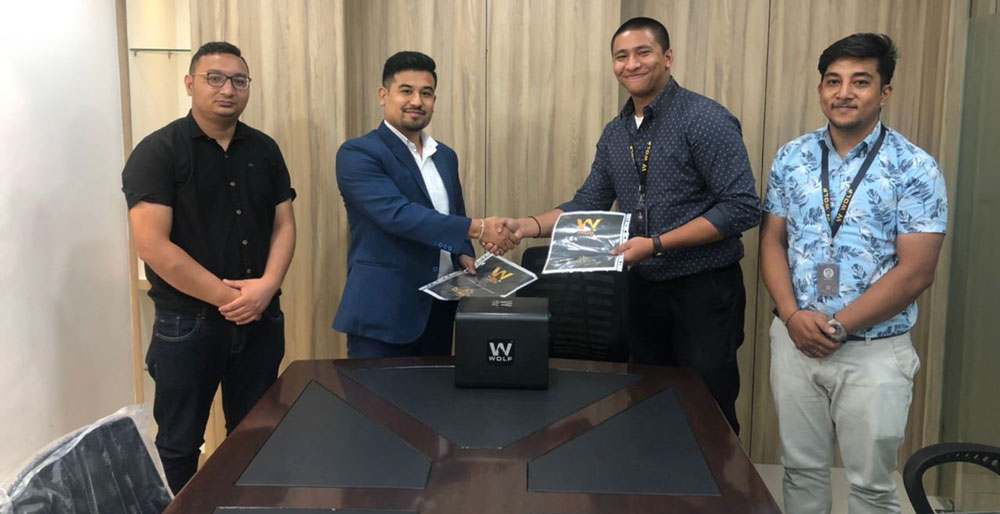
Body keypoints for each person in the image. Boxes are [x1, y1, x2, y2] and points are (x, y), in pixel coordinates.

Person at [495, 17, 759, 433]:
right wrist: (526, 226)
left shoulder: (704, 118)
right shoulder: (616, 132)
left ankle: (716, 479)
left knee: (708, 409)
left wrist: (656, 244)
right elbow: (588, 203)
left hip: (704, 291)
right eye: (621, 56)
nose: (631, 64)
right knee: (649, 406)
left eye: (643, 53)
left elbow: (742, 207)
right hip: (642, 290)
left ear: (667, 58)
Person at [760, 33, 947, 513]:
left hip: (873, 350)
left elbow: (917, 272)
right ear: (821, 89)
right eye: (833, 81)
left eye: (860, 82)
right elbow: (772, 241)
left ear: (884, 92)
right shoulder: (792, 157)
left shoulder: (915, 168)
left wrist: (839, 326)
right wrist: (791, 316)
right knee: (800, 471)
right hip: (795, 341)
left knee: (870, 486)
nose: (844, 93)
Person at [121, 41, 296, 493]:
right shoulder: (158, 151)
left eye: (239, 80)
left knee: (257, 436)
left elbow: (284, 224)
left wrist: (267, 286)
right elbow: (153, 246)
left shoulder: (264, 149)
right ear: (190, 83)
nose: (228, 89)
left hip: (261, 319)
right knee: (179, 444)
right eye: (214, 78)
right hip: (189, 323)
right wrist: (232, 298)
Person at [334, 51, 518, 358]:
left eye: (426, 93)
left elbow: (454, 213)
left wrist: (463, 252)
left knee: (436, 391)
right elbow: (397, 215)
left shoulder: (445, 156)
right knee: (373, 392)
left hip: (439, 309)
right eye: (406, 91)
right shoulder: (358, 153)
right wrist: (479, 228)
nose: (417, 101)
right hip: (384, 313)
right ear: (383, 95)